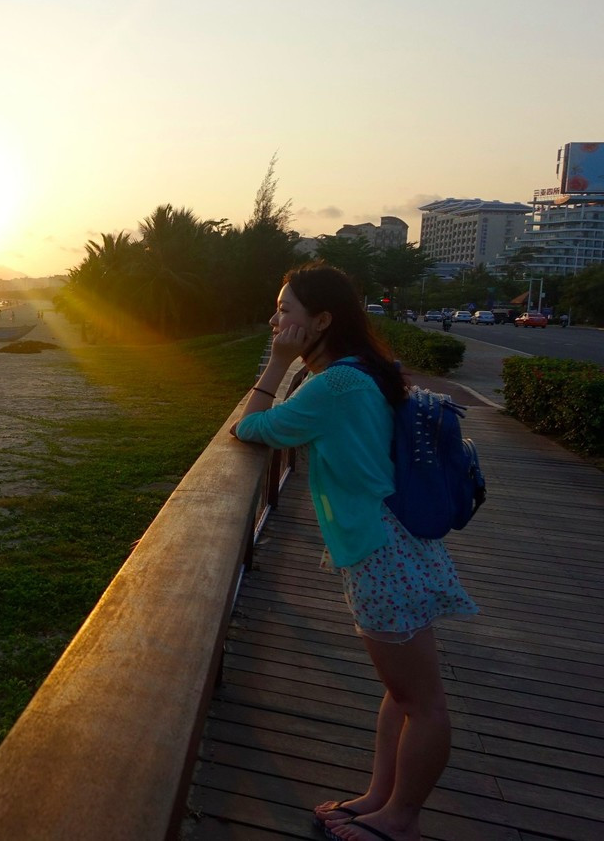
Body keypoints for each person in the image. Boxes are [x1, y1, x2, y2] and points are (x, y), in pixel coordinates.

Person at [231, 263, 477, 841]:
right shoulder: (359, 370)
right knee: (404, 694)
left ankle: (401, 820)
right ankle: (380, 797)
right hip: (391, 547)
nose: (275, 320)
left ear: (321, 320)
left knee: (423, 701)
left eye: (285, 311)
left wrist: (275, 364)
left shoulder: (336, 385)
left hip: (380, 553)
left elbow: (250, 428)